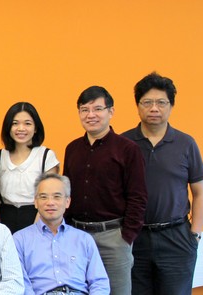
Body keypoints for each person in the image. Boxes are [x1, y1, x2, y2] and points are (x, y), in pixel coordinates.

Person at [122, 72, 203, 295]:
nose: (154, 108)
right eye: (147, 102)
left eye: (161, 102)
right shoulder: (123, 143)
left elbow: (199, 193)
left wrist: (194, 234)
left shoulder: (185, 143)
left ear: (171, 106)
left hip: (177, 238)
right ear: (138, 106)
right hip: (134, 237)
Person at [63, 86, 147, 295]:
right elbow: (67, 193)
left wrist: (126, 237)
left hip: (113, 237)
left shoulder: (127, 149)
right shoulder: (72, 149)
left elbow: (138, 196)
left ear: (111, 111)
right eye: (84, 109)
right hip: (77, 235)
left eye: (98, 109)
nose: (91, 115)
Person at [13, 173, 110, 295]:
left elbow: (99, 282)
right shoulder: (19, 240)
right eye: (43, 197)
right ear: (35, 202)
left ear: (67, 202)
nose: (50, 202)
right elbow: (20, 283)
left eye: (57, 197)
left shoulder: (84, 239)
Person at [0, 102, 59, 233]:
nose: (21, 128)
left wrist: (35, 228)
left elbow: (50, 195)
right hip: (5, 218)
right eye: (15, 123)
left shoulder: (46, 156)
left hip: (37, 218)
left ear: (36, 128)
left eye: (27, 123)